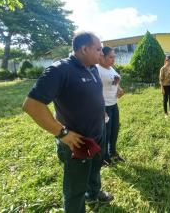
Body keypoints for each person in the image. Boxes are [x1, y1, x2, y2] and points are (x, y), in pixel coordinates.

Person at [22, 32, 113, 213]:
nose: (101, 53)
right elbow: (31, 105)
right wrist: (62, 133)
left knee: (95, 168)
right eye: (98, 49)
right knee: (75, 188)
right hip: (77, 142)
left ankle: (93, 194)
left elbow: (92, 94)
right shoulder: (60, 70)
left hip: (98, 132)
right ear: (84, 49)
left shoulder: (93, 67)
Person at [97, 46, 125, 165]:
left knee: (115, 130)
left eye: (114, 57)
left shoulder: (110, 68)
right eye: (110, 57)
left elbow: (115, 82)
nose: (113, 59)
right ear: (102, 56)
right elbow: (94, 90)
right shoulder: (97, 70)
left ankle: (113, 152)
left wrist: (119, 89)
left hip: (114, 104)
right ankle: (104, 157)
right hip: (105, 107)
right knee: (106, 133)